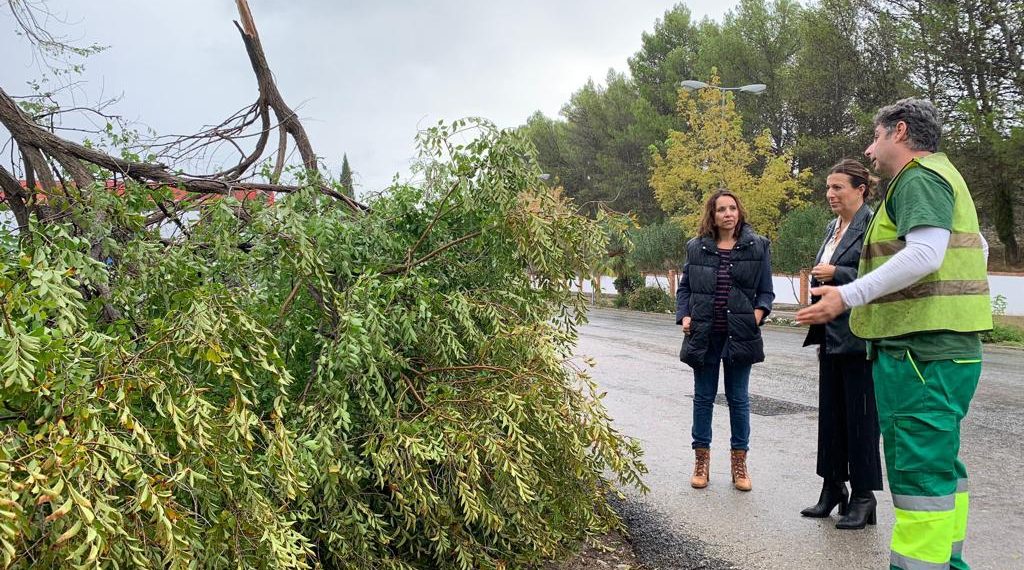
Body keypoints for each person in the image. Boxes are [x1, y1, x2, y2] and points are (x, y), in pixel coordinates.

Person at [796, 98, 992, 570]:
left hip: (920, 353)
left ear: (899, 132)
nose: (869, 149)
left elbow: (926, 254)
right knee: (940, 465)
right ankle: (949, 562)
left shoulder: (919, 178)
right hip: (943, 348)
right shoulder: (944, 177)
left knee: (918, 472)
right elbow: (978, 248)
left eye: (876, 136)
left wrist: (847, 295)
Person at [800, 159, 883, 529]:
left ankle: (864, 497)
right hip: (829, 335)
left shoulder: (872, 225)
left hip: (858, 336)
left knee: (861, 419)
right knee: (831, 416)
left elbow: (880, 275)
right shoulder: (831, 227)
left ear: (860, 190)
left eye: (838, 187)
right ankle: (833, 487)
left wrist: (838, 272)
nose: (830, 194)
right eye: (828, 187)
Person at [677, 189, 774, 491]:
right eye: (721, 209)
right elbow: (685, 288)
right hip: (704, 334)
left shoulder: (758, 246)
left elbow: (766, 291)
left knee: (739, 399)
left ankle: (739, 465)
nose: (728, 214)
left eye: (732, 208)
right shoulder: (696, 247)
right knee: (703, 398)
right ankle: (701, 462)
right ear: (713, 214)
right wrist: (685, 315)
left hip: (740, 334)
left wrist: (756, 315)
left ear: (739, 211)